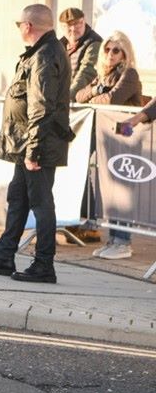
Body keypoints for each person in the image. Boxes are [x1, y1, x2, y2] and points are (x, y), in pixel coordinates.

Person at [0, 4, 73, 283]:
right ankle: (4, 255)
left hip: (37, 145)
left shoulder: (44, 55)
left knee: (41, 204)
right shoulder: (41, 52)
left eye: (19, 24)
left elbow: (41, 107)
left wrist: (34, 150)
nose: (19, 29)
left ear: (28, 26)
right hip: (27, 144)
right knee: (18, 198)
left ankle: (43, 265)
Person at [78, 31, 144, 260]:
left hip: (127, 139)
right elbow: (79, 96)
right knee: (110, 191)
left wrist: (98, 95)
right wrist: (98, 90)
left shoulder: (129, 73)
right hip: (108, 138)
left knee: (123, 192)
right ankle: (113, 239)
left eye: (116, 50)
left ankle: (123, 241)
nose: (110, 54)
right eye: (107, 49)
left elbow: (113, 99)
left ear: (125, 52)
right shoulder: (102, 76)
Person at [58, 7, 103, 97]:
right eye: (68, 25)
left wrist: (66, 98)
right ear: (62, 28)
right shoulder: (58, 46)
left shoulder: (94, 43)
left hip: (83, 100)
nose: (74, 28)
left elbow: (87, 73)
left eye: (78, 23)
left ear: (84, 22)